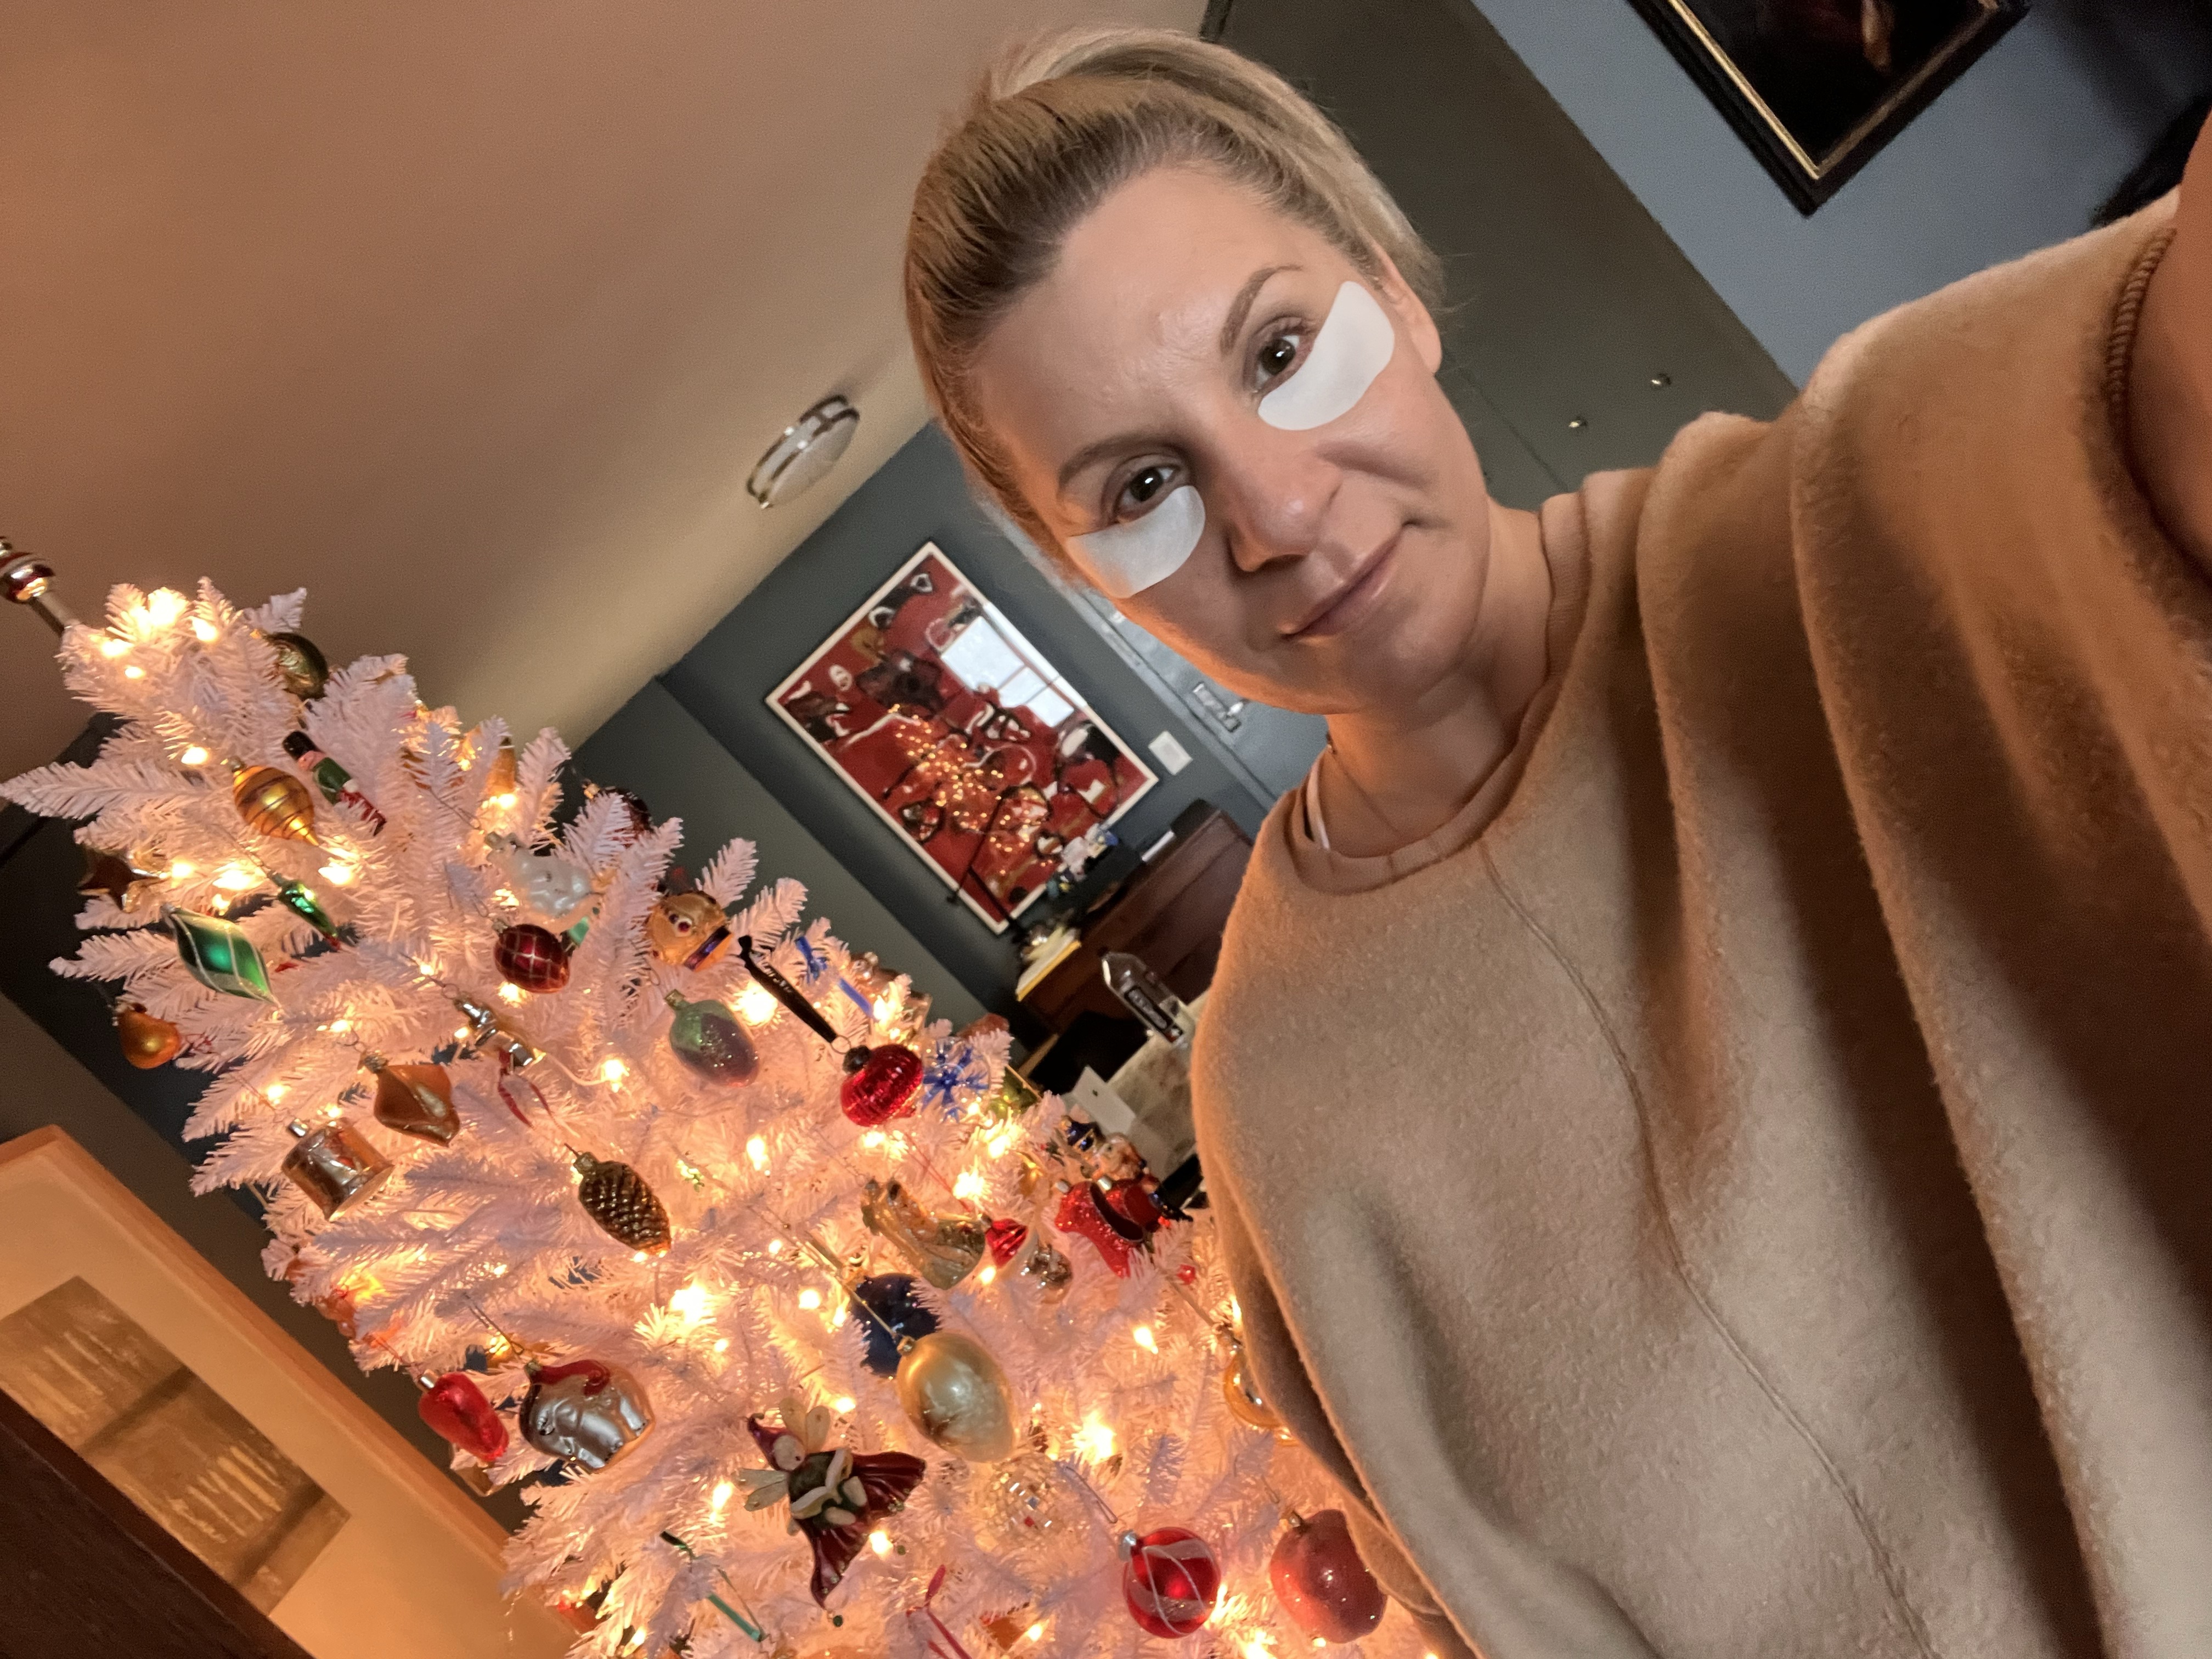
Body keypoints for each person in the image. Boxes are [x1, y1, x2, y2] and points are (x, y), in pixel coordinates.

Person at [904, 27, 2211, 1659]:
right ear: (1086, 573)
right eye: (1145, 484)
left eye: (1282, 348)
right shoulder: (1285, 1109)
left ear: (1397, 295)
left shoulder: (1856, 511)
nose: (1280, 514)